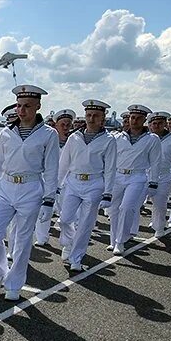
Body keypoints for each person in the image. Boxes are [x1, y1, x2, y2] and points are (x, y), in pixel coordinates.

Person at [0, 84, 60, 298]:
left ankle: (14, 284)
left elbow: (53, 168)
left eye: (26, 105)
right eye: (18, 105)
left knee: (23, 240)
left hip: (31, 188)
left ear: (38, 106)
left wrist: (49, 199)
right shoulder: (7, 133)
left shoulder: (48, 134)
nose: (21, 110)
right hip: (5, 187)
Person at [58, 99, 116, 272]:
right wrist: (55, 187)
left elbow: (111, 168)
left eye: (95, 116)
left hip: (94, 183)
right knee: (65, 219)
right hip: (73, 182)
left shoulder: (109, 140)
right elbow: (64, 163)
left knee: (85, 224)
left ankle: (76, 258)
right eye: (89, 115)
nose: (91, 119)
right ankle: (69, 243)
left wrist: (108, 192)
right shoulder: (74, 137)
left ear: (102, 119)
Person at [108, 104, 161, 254]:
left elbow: (156, 162)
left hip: (137, 176)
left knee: (126, 207)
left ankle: (120, 241)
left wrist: (153, 182)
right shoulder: (118, 137)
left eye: (138, 118)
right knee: (113, 209)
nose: (134, 121)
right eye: (132, 117)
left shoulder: (152, 139)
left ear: (144, 120)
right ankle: (113, 240)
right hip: (117, 175)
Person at [34, 109, 73, 247]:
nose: (65, 127)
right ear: (56, 125)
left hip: (68, 183)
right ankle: (42, 237)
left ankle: (68, 243)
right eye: (62, 124)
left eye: (68, 124)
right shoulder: (48, 141)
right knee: (43, 209)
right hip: (49, 180)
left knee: (67, 216)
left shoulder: (75, 142)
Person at [147, 111, 171, 236]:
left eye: (160, 123)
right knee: (133, 204)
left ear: (165, 124)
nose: (157, 126)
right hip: (144, 175)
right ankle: (129, 232)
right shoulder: (145, 138)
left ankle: (159, 227)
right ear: (150, 125)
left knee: (159, 203)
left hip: (163, 175)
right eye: (154, 123)